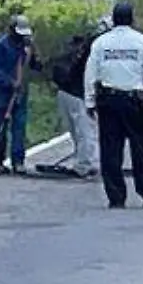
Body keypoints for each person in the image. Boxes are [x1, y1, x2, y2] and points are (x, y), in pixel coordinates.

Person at [83, 2, 143, 209]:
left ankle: (116, 198)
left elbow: (91, 73)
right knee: (140, 150)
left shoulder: (101, 43)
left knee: (110, 150)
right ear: (132, 19)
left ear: (114, 18)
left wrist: (90, 100)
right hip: (133, 102)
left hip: (108, 101)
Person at [0, 14, 42, 174]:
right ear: (11, 31)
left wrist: (35, 55)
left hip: (20, 96)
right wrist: (11, 83)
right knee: (0, 128)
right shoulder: (0, 46)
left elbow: (36, 66)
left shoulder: (26, 47)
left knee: (19, 128)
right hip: (1, 96)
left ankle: (18, 161)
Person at [49, 32, 100, 178]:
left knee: (78, 132)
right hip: (78, 95)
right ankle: (85, 165)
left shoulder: (73, 56)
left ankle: (83, 161)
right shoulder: (95, 52)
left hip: (66, 93)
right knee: (85, 131)